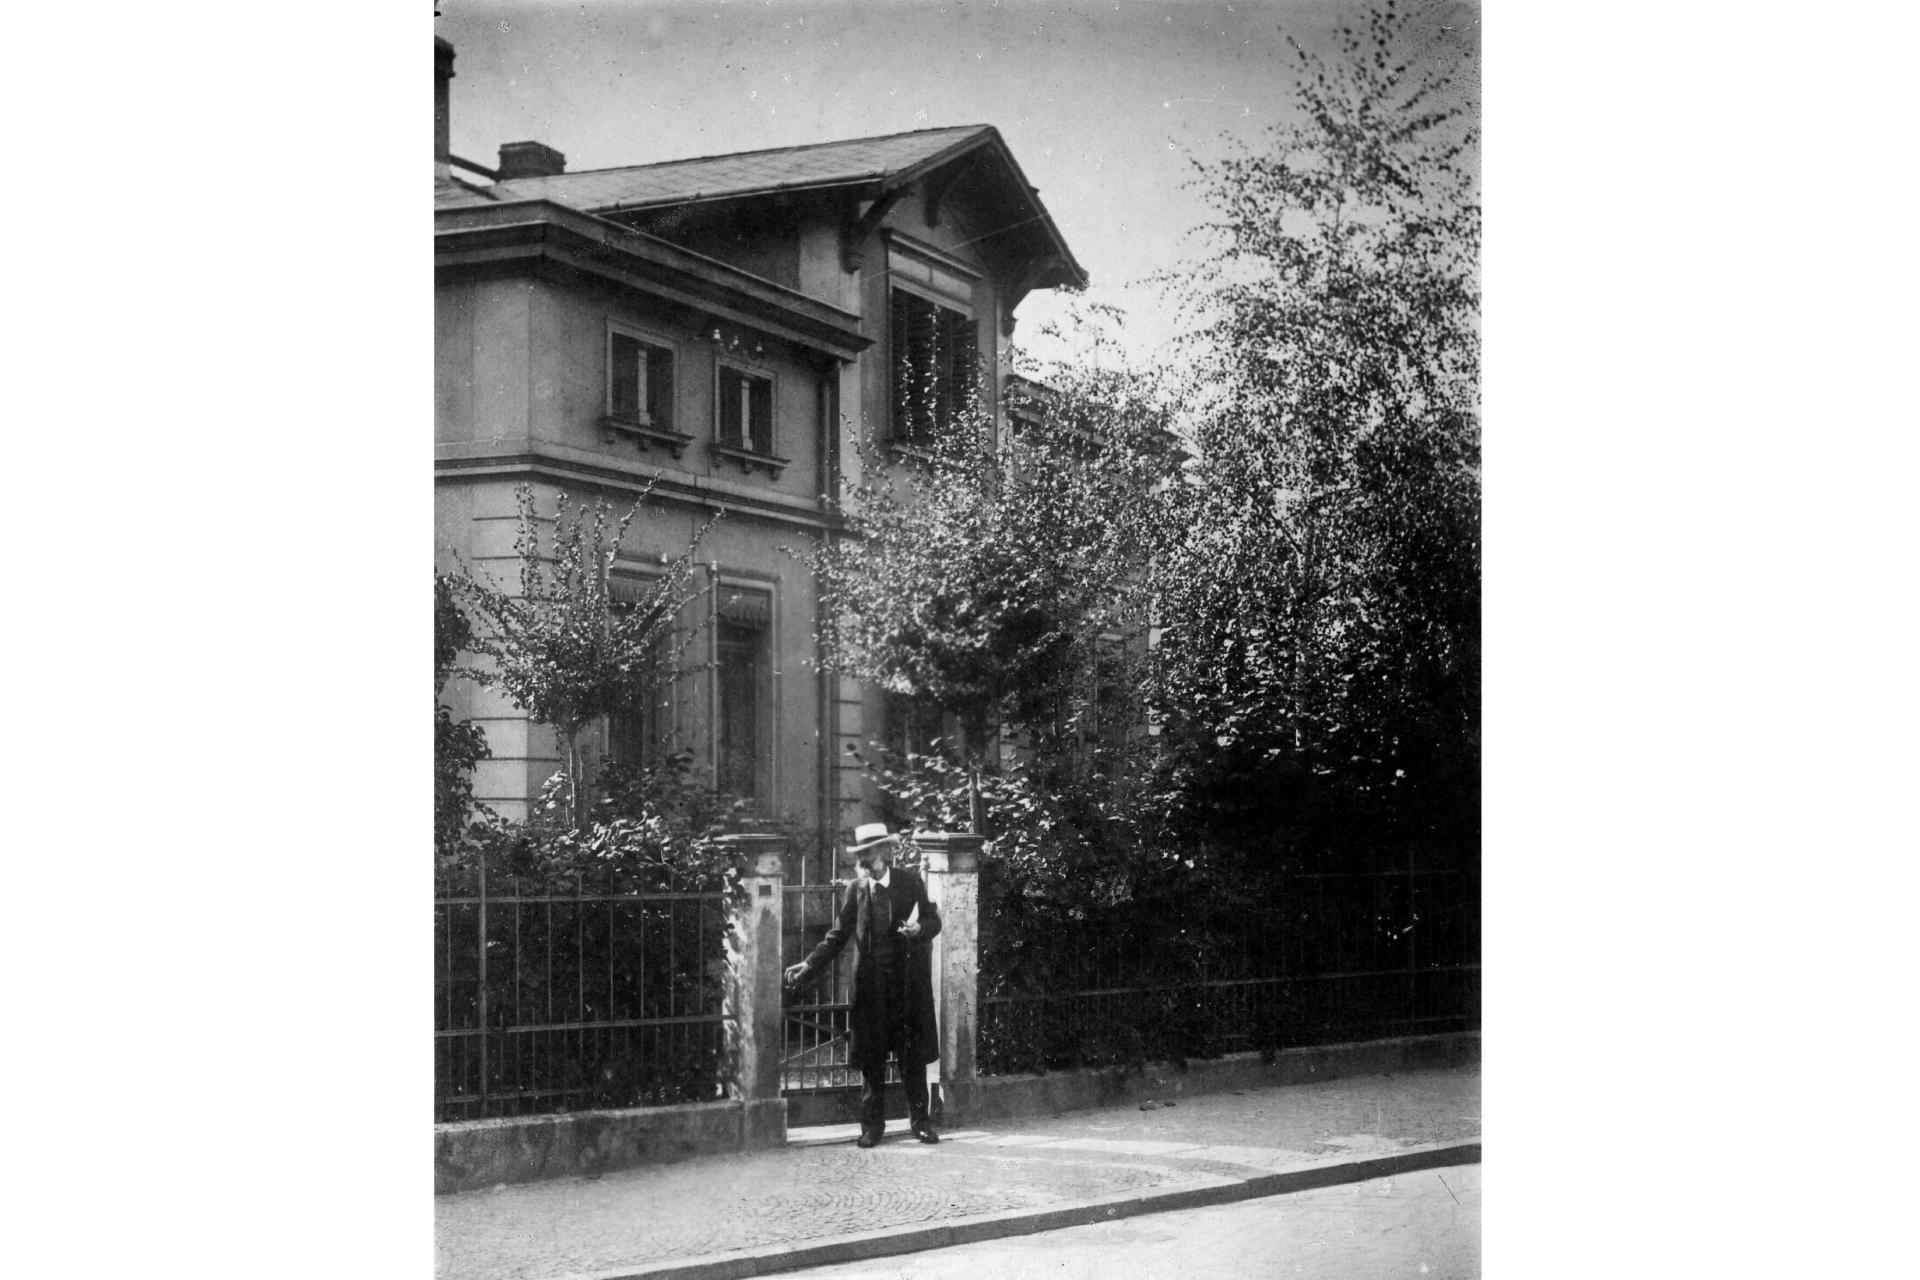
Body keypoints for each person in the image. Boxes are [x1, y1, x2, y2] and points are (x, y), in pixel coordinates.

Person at [784, 823, 943, 1147]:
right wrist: (809, 963)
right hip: (871, 991)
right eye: (859, 855)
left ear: (885, 852)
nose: (863, 860)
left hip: (906, 988)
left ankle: (921, 1123)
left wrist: (919, 930)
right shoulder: (856, 890)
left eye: (868, 853)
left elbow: (933, 919)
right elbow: (838, 935)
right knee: (871, 1060)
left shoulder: (910, 882)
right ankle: (872, 1127)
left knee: (910, 1058)